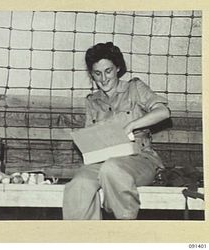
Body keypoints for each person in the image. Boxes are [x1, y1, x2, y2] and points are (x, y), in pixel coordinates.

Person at [63, 42, 170, 220]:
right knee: (78, 185)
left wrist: (131, 125)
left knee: (112, 169)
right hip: (102, 160)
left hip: (139, 159)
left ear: (118, 68)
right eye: (97, 73)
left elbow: (163, 112)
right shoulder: (92, 101)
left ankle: (124, 230)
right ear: (92, 74)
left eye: (108, 71)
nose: (104, 79)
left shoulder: (135, 88)